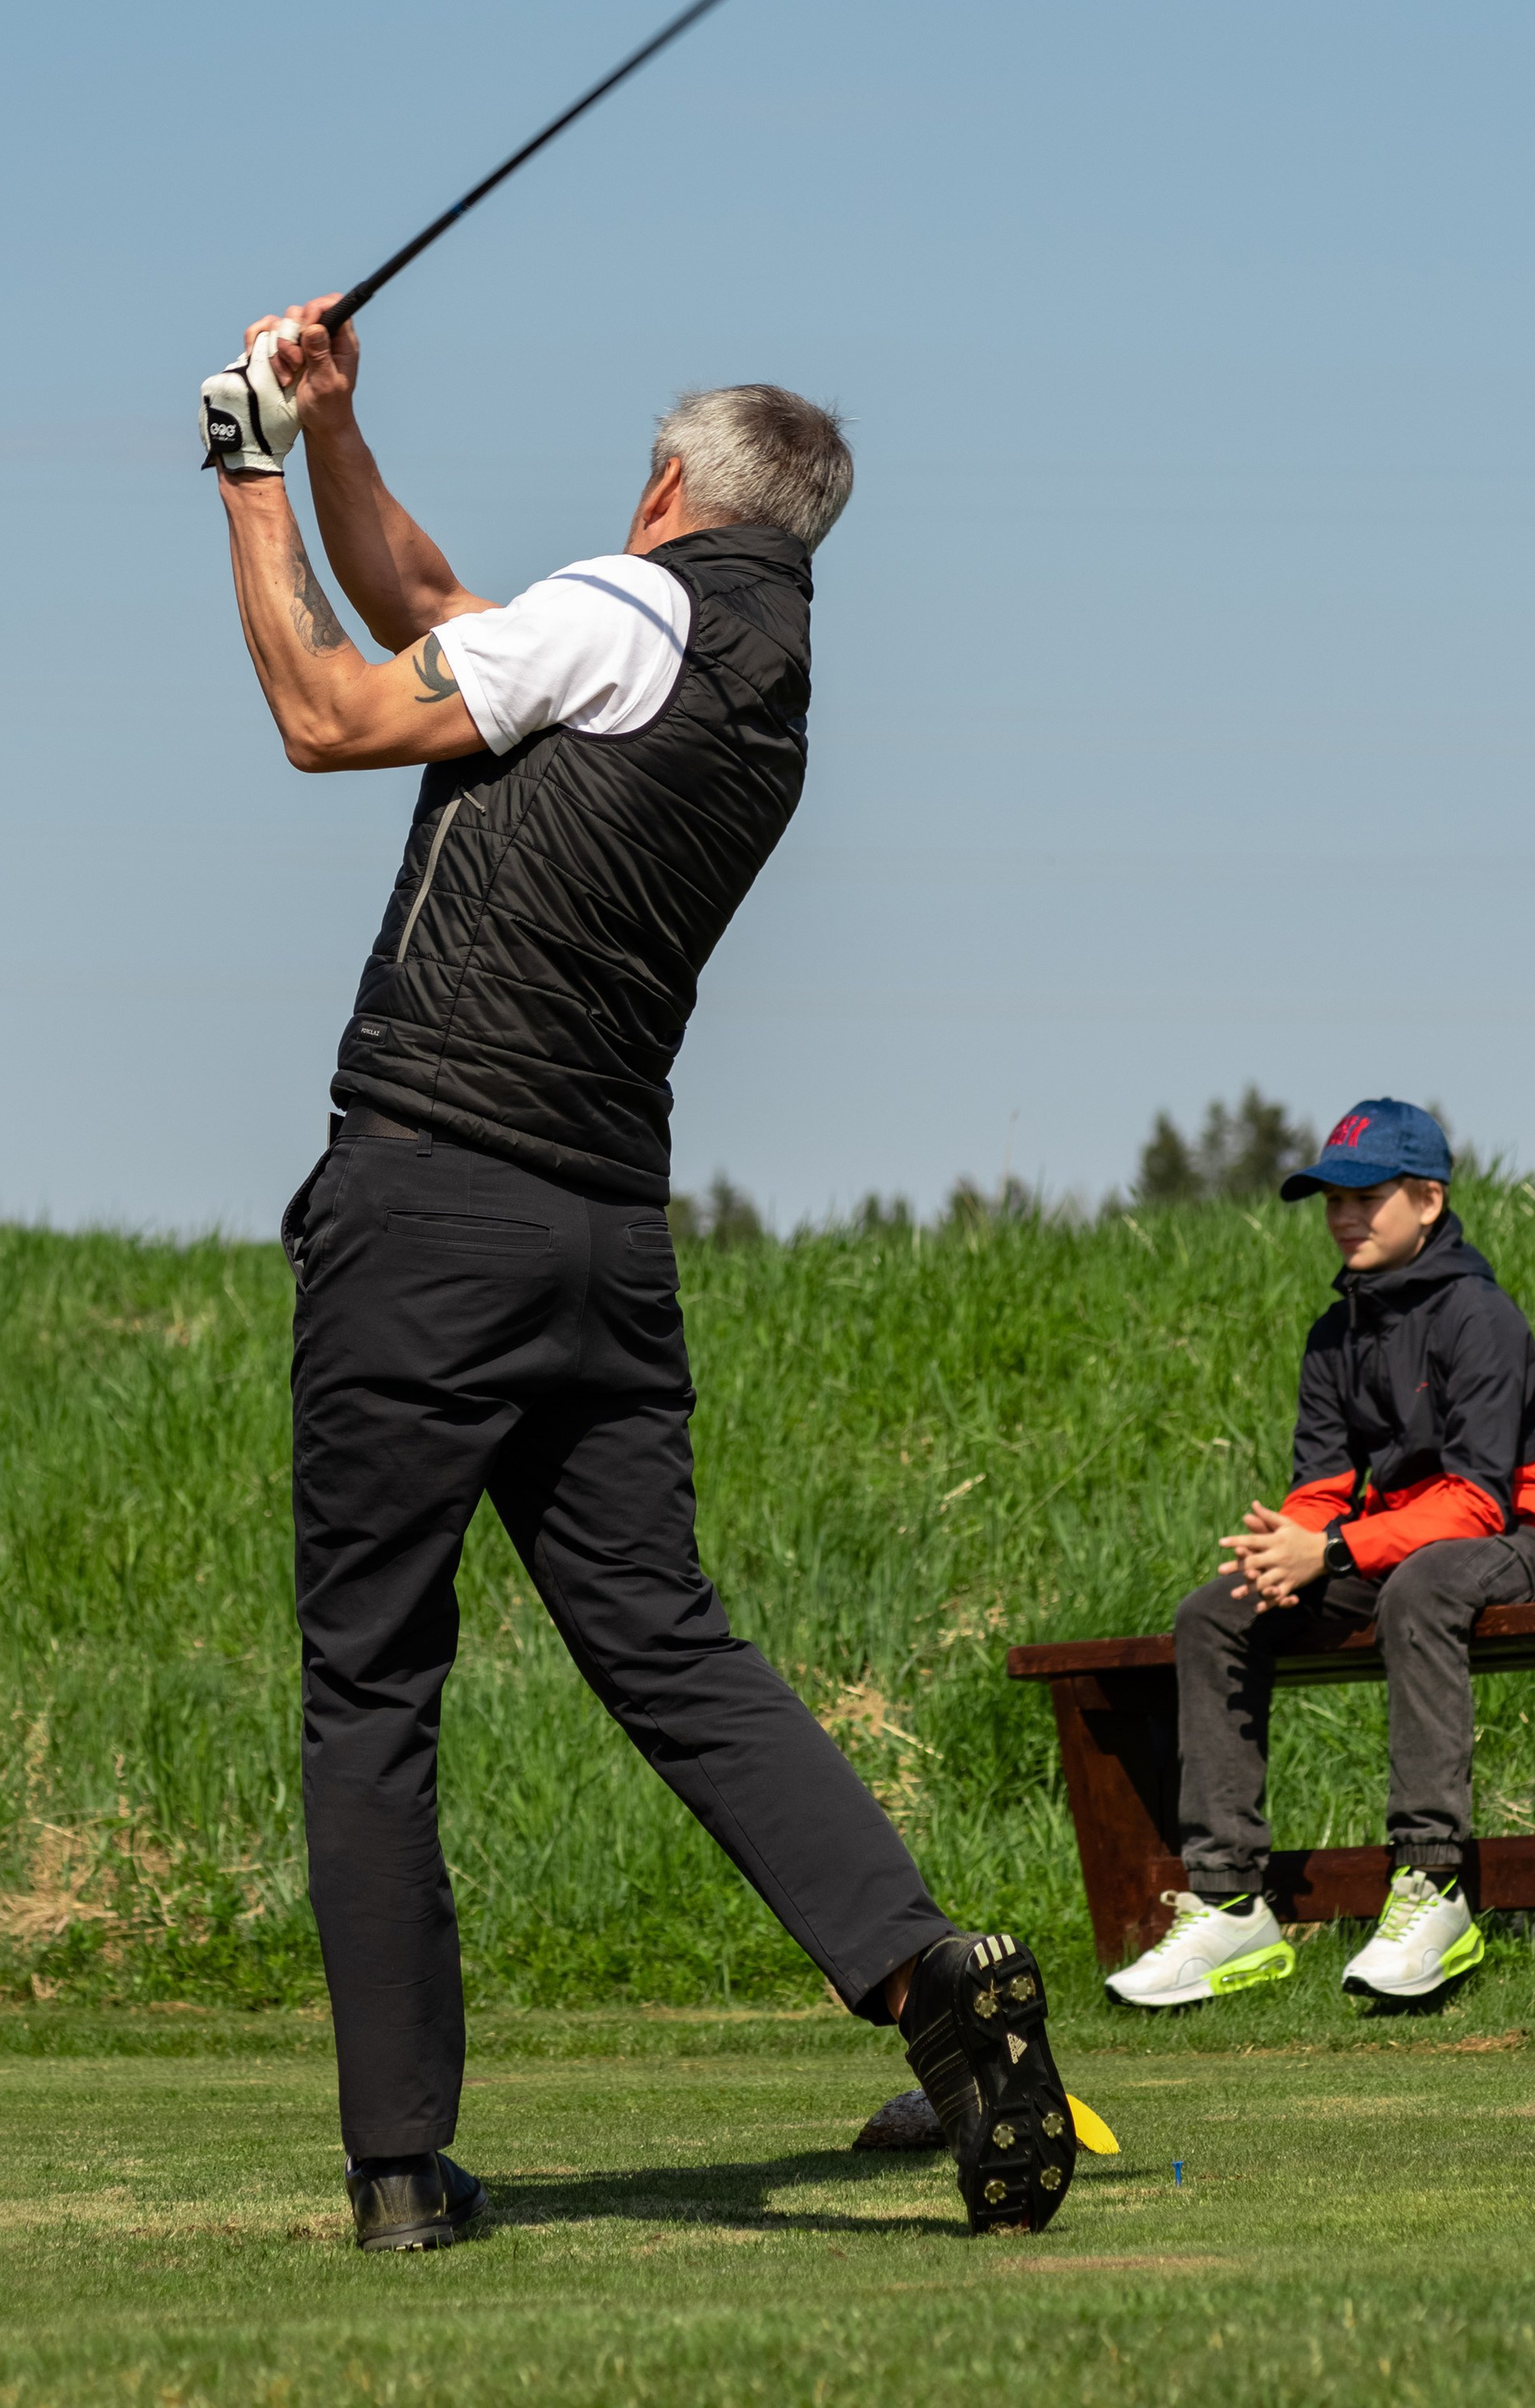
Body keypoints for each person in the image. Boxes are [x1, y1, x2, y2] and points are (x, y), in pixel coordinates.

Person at [198, 304, 1077, 2249]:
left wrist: (245, 468)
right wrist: (339, 426)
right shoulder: (739, 667)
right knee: (664, 1640)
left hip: (427, 1204)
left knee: (370, 1683)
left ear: (668, 487)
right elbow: (434, 596)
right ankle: (923, 1970)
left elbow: (331, 708)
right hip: (600, 1234)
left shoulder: (619, 607)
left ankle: (400, 2163)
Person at [1107, 1097, 1535, 2012]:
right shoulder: (1333, 1334)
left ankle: (1431, 1887)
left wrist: (1331, 1546)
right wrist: (1287, 1546)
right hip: (1400, 1550)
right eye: (1329, 1200)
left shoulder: (1480, 1317)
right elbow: (1325, 1479)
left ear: (1427, 1199)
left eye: (1364, 1198)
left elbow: (1481, 1500)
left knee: (1421, 1585)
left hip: (1529, 1539)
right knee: (1213, 1610)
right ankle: (1228, 1905)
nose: (1341, 1218)